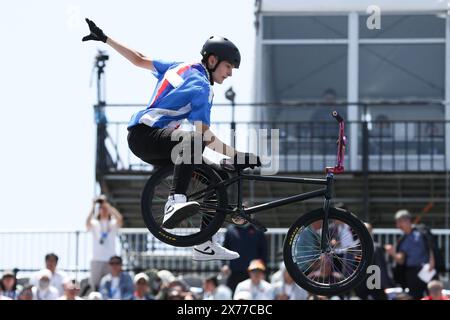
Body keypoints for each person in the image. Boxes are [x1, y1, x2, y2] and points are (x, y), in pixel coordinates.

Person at [82, 18, 261, 261]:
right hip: (146, 135)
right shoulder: (202, 87)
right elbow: (203, 134)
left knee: (217, 177)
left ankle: (204, 243)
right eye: (228, 67)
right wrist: (236, 155)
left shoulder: (180, 66)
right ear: (212, 61)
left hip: (154, 140)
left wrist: (106, 39)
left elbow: (138, 58)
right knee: (193, 141)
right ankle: (174, 202)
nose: (230, 73)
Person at [385, 209, 435, 299]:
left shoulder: (422, 232)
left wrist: (432, 263)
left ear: (407, 220)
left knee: (431, 295)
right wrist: (392, 253)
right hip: (411, 273)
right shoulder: (402, 240)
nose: (398, 226)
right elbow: (401, 260)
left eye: (399, 222)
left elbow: (431, 247)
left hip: (427, 270)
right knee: (414, 296)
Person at [86, 194, 124, 291]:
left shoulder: (112, 223)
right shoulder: (95, 223)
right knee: (95, 286)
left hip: (110, 260)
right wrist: (93, 205)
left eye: (104, 208)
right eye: (101, 208)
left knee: (108, 286)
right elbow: (87, 222)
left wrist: (106, 204)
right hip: (96, 259)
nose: (103, 209)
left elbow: (120, 219)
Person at [221, 223, 268, 293]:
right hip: (234, 272)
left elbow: (263, 251)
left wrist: (263, 270)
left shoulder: (257, 229)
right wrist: (224, 264)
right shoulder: (230, 229)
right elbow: (224, 249)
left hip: (253, 272)